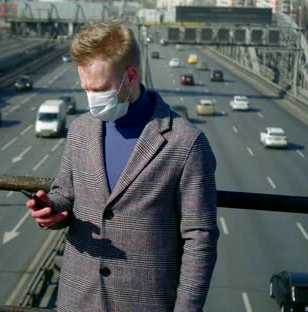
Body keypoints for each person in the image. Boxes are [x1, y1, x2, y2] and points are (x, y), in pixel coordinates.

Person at [26, 21, 219, 311]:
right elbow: (64, 193)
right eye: (86, 88)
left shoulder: (187, 143)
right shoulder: (80, 129)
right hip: (77, 300)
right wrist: (51, 209)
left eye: (100, 89)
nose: (92, 99)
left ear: (131, 76)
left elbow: (199, 240)